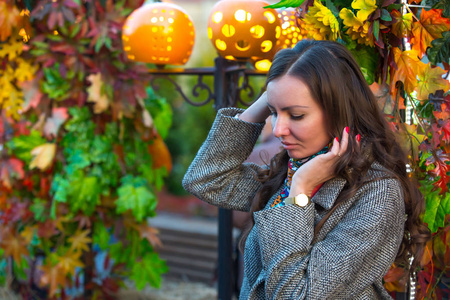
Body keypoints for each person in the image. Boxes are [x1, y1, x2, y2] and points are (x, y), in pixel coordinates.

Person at [182, 40, 430, 299]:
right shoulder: (288, 173)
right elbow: (206, 178)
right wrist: (270, 98)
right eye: (274, 113)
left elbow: (297, 295)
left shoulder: (377, 192)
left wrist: (299, 193)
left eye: (296, 115)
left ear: (339, 112)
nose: (278, 130)